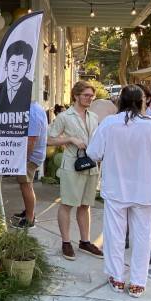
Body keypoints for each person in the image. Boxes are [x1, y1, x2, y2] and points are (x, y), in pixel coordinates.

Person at [86, 85, 151, 298]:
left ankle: (116, 277)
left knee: (115, 235)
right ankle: (138, 282)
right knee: (143, 237)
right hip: (144, 189)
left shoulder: (110, 123)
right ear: (142, 103)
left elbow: (93, 152)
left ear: (120, 102)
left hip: (116, 188)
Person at [47, 81, 102, 259]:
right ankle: (66, 242)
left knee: (85, 205)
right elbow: (49, 139)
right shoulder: (64, 116)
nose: (90, 98)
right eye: (86, 95)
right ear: (76, 96)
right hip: (72, 165)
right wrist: (70, 139)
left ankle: (85, 242)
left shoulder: (93, 116)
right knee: (67, 203)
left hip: (91, 165)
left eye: (91, 96)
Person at [10, 99, 47, 229]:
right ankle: (28, 211)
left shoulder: (32, 111)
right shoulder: (35, 107)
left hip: (30, 156)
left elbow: (31, 140)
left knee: (26, 186)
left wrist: (23, 159)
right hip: (34, 154)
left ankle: (29, 219)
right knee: (26, 185)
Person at [0, 42, 34, 117]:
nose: (16, 69)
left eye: (21, 64)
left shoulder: (29, 88)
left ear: (28, 68)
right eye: (13, 63)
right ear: (6, 65)